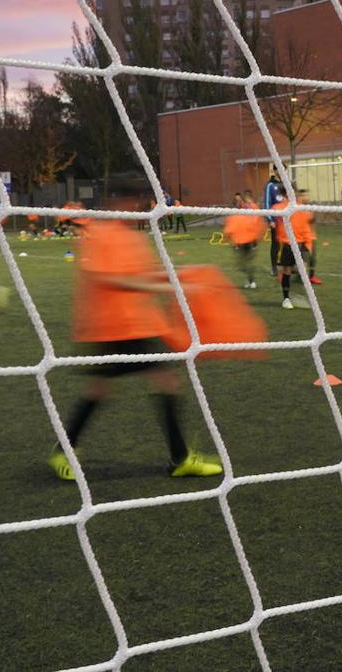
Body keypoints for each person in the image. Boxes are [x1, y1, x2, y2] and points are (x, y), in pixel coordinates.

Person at [46, 175, 222, 482]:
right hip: (109, 329)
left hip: (138, 326)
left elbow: (141, 273)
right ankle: (63, 451)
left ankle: (180, 458)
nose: (140, 206)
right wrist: (160, 287)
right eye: (137, 200)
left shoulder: (133, 234)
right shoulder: (99, 233)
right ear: (120, 201)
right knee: (102, 389)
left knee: (160, 381)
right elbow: (109, 278)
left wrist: (178, 275)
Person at [273, 188, 313, 309]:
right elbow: (274, 214)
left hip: (301, 243)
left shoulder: (302, 209)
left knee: (303, 270)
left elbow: (307, 227)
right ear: (285, 194)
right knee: (287, 271)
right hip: (286, 244)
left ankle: (299, 294)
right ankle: (286, 298)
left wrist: (308, 244)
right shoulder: (279, 208)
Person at [223, 190, 265, 289]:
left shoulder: (254, 208)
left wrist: (255, 239)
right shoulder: (243, 208)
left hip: (250, 240)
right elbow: (237, 223)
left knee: (246, 261)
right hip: (241, 239)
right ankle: (248, 278)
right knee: (242, 263)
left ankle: (251, 279)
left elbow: (256, 224)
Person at [263, 173, 284, 276]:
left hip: (287, 221)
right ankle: (274, 267)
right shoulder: (270, 185)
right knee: (275, 244)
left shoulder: (285, 183)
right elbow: (267, 203)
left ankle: (288, 265)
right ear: (274, 171)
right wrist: (270, 219)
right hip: (276, 221)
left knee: (288, 244)